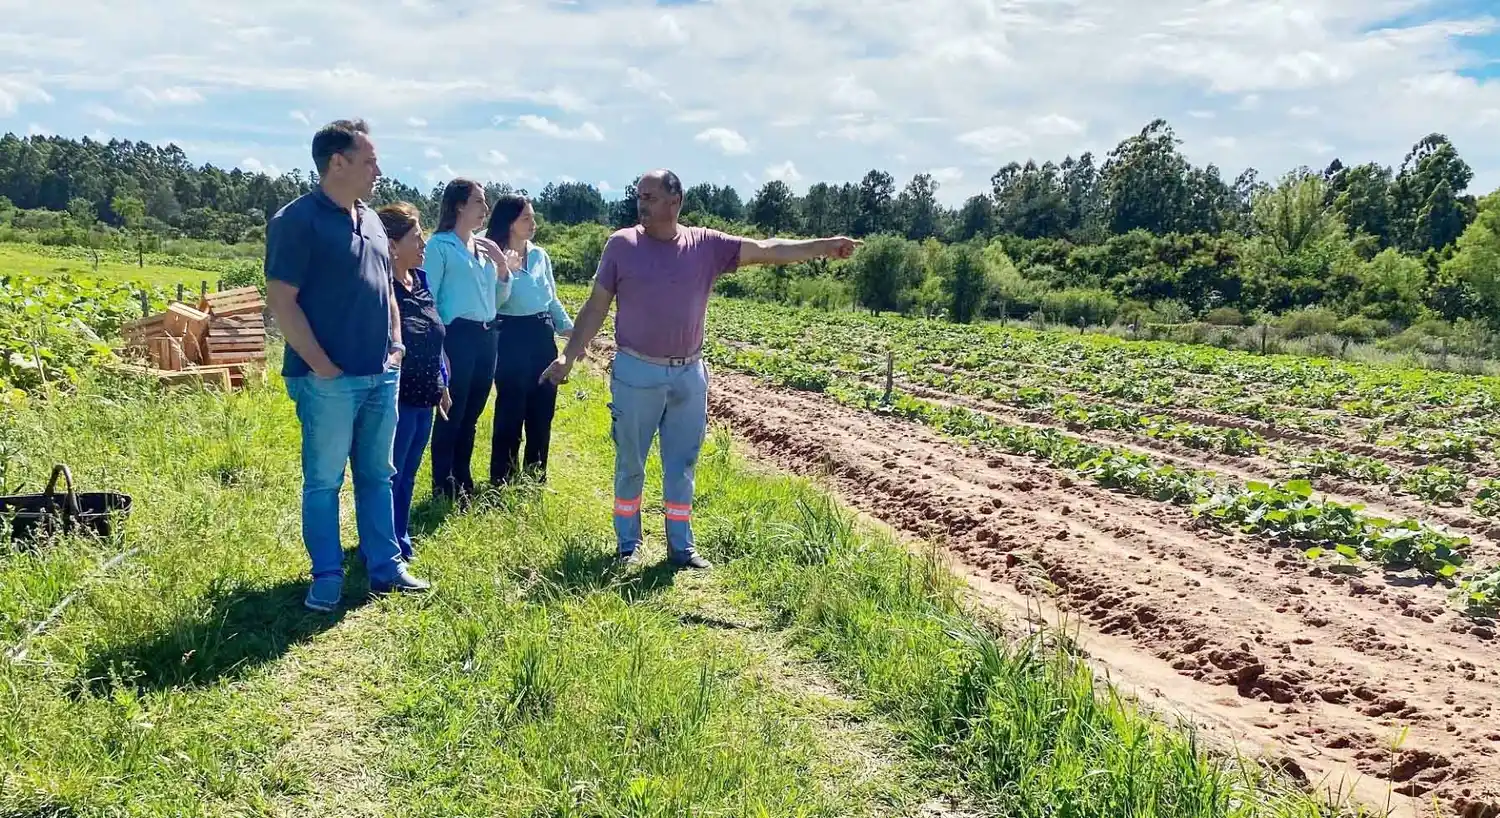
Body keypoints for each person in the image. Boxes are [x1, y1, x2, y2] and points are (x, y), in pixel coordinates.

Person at [541, 169, 859, 569]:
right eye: (640, 196)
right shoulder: (621, 245)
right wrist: (569, 355)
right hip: (636, 370)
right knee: (630, 464)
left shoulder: (705, 245)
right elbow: (596, 306)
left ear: (675, 203)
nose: (642, 204)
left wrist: (825, 246)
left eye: (651, 197)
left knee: (682, 463)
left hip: (689, 375)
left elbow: (767, 249)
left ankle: (680, 547)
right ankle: (628, 544)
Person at [264, 118, 431, 611]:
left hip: (382, 373)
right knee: (324, 479)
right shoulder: (297, 221)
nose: (378, 170)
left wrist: (396, 344)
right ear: (337, 162)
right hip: (328, 381)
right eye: (369, 161)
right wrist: (321, 365)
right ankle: (328, 575)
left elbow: (388, 287)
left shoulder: (374, 220)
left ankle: (385, 565)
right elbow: (282, 300)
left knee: (378, 473)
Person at [423, 178, 519, 504]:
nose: (486, 209)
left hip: (486, 334)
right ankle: (443, 483)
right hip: (457, 336)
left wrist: (503, 267)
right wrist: (438, 349)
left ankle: (462, 478)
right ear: (459, 205)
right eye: (479, 202)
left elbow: (498, 298)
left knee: (473, 411)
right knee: (453, 411)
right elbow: (429, 299)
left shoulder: (481, 248)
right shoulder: (439, 246)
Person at [379, 202, 453, 563]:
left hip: (426, 396)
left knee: (408, 473)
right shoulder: (382, 288)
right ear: (392, 245)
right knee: (388, 474)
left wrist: (442, 383)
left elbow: (434, 337)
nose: (424, 245)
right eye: (417, 238)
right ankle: (382, 543)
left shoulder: (420, 280)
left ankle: (400, 533)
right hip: (396, 397)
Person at [485, 194, 573, 486]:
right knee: (511, 408)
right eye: (526, 218)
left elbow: (551, 298)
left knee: (542, 409)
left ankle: (536, 477)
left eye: (533, 217)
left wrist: (570, 330)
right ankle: (503, 479)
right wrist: (505, 273)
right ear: (509, 222)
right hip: (510, 335)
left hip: (541, 336)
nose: (533, 223)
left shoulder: (539, 256)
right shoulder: (492, 255)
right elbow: (495, 301)